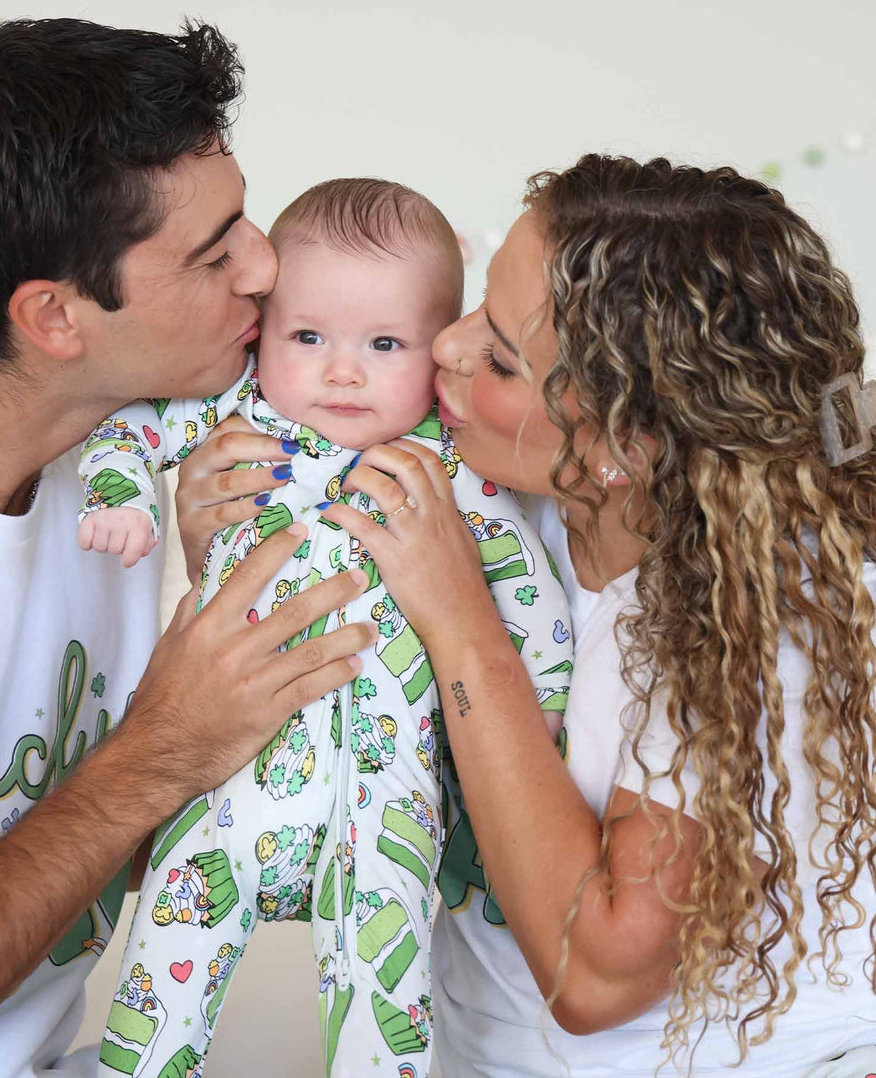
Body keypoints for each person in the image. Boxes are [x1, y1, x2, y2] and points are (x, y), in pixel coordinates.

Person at [0, 19, 375, 1078]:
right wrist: (157, 749)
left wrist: (218, 605)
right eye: (217, 249)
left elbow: (115, 848)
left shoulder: (115, 457)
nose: (265, 267)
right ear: (55, 318)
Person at [305, 154, 876, 1075]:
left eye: (497, 355)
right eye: (475, 311)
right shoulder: (521, 491)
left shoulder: (754, 622)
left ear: (623, 445)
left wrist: (463, 624)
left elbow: (596, 977)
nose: (442, 348)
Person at [76, 178, 573, 1077]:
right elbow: (127, 428)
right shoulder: (234, 424)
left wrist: (547, 704)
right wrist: (122, 500)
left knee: (384, 1004)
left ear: (440, 353)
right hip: (223, 780)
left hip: (381, 800)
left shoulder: (449, 471)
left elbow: (526, 587)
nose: (343, 371)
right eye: (309, 337)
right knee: (160, 988)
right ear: (261, 332)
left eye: (385, 344)